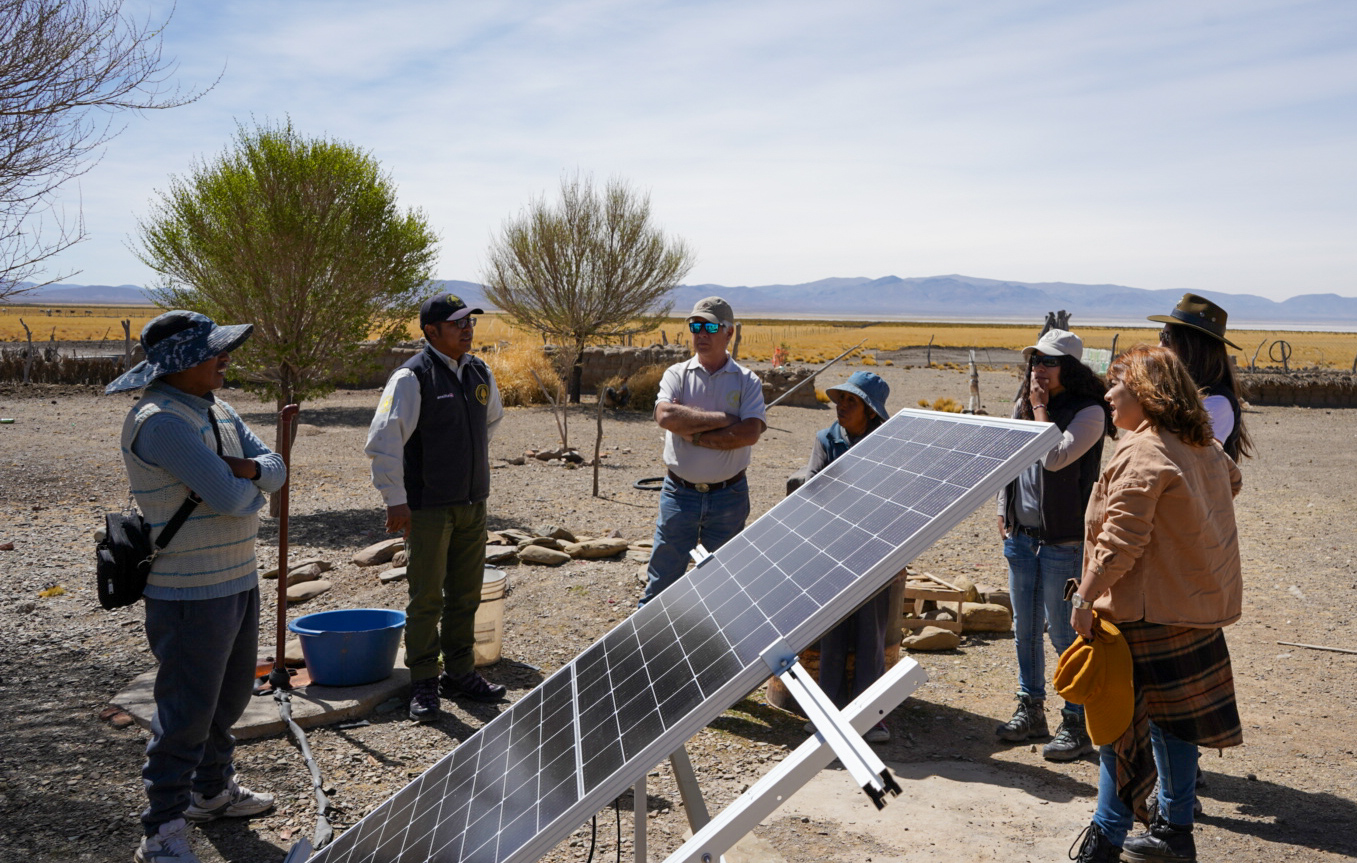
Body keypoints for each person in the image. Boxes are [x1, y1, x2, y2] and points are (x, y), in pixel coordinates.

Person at [106, 310, 284, 863]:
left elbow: (277, 465)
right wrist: (251, 483)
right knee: (185, 712)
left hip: (236, 577)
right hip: (189, 591)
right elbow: (233, 499)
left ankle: (211, 792)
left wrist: (249, 474)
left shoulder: (216, 408)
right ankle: (160, 829)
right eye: (214, 351)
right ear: (182, 363)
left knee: (226, 701)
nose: (225, 357)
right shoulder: (161, 423)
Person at [1066, 346, 1243, 863]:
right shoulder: (1203, 445)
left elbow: (1121, 539)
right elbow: (1233, 481)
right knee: (1173, 726)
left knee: (1120, 729)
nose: (1107, 394)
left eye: (1116, 384)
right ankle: (1174, 830)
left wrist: (1085, 595)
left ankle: (1105, 841)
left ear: (1144, 391)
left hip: (1148, 611)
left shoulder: (1144, 451)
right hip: (1194, 608)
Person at [366, 292, 507, 722]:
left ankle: (460, 671)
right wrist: (396, 500)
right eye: (457, 323)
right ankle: (424, 679)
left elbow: (491, 420)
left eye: (470, 322)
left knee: (465, 593)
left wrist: (464, 462)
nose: (467, 329)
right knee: (426, 596)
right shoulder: (411, 377)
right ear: (431, 332)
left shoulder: (479, 370)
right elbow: (383, 441)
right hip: (427, 507)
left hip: (472, 504)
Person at [994, 329, 1114, 761]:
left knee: (1065, 633)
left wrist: (1041, 408)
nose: (1037, 369)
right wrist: (1003, 509)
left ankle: (1075, 721)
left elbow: (1056, 457)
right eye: (1034, 361)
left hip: (1063, 542)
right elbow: (1005, 458)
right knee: (1024, 630)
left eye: (1047, 362)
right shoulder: (1022, 405)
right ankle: (1031, 709)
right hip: (1022, 537)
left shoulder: (1089, 411)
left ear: (1070, 369)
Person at [787, 371, 893, 744]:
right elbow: (813, 487)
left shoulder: (888, 442)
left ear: (870, 411)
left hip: (875, 551)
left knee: (871, 635)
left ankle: (871, 717)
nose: (841, 407)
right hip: (833, 548)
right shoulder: (826, 439)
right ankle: (827, 714)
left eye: (851, 402)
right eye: (840, 400)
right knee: (832, 634)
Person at [642, 297, 766, 606]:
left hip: (728, 496)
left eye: (711, 326)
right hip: (679, 494)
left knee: (721, 583)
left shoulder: (747, 381)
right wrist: (724, 420)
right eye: (695, 326)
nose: (701, 334)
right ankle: (648, 643)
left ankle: (710, 648)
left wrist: (691, 430)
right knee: (662, 579)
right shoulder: (676, 374)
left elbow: (750, 432)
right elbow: (666, 417)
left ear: (729, 333)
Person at [1148, 293, 1253, 461]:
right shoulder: (1180, 394)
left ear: (1192, 346)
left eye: (1167, 338)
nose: (1159, 346)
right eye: (1161, 336)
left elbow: (1186, 459)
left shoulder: (1217, 403)